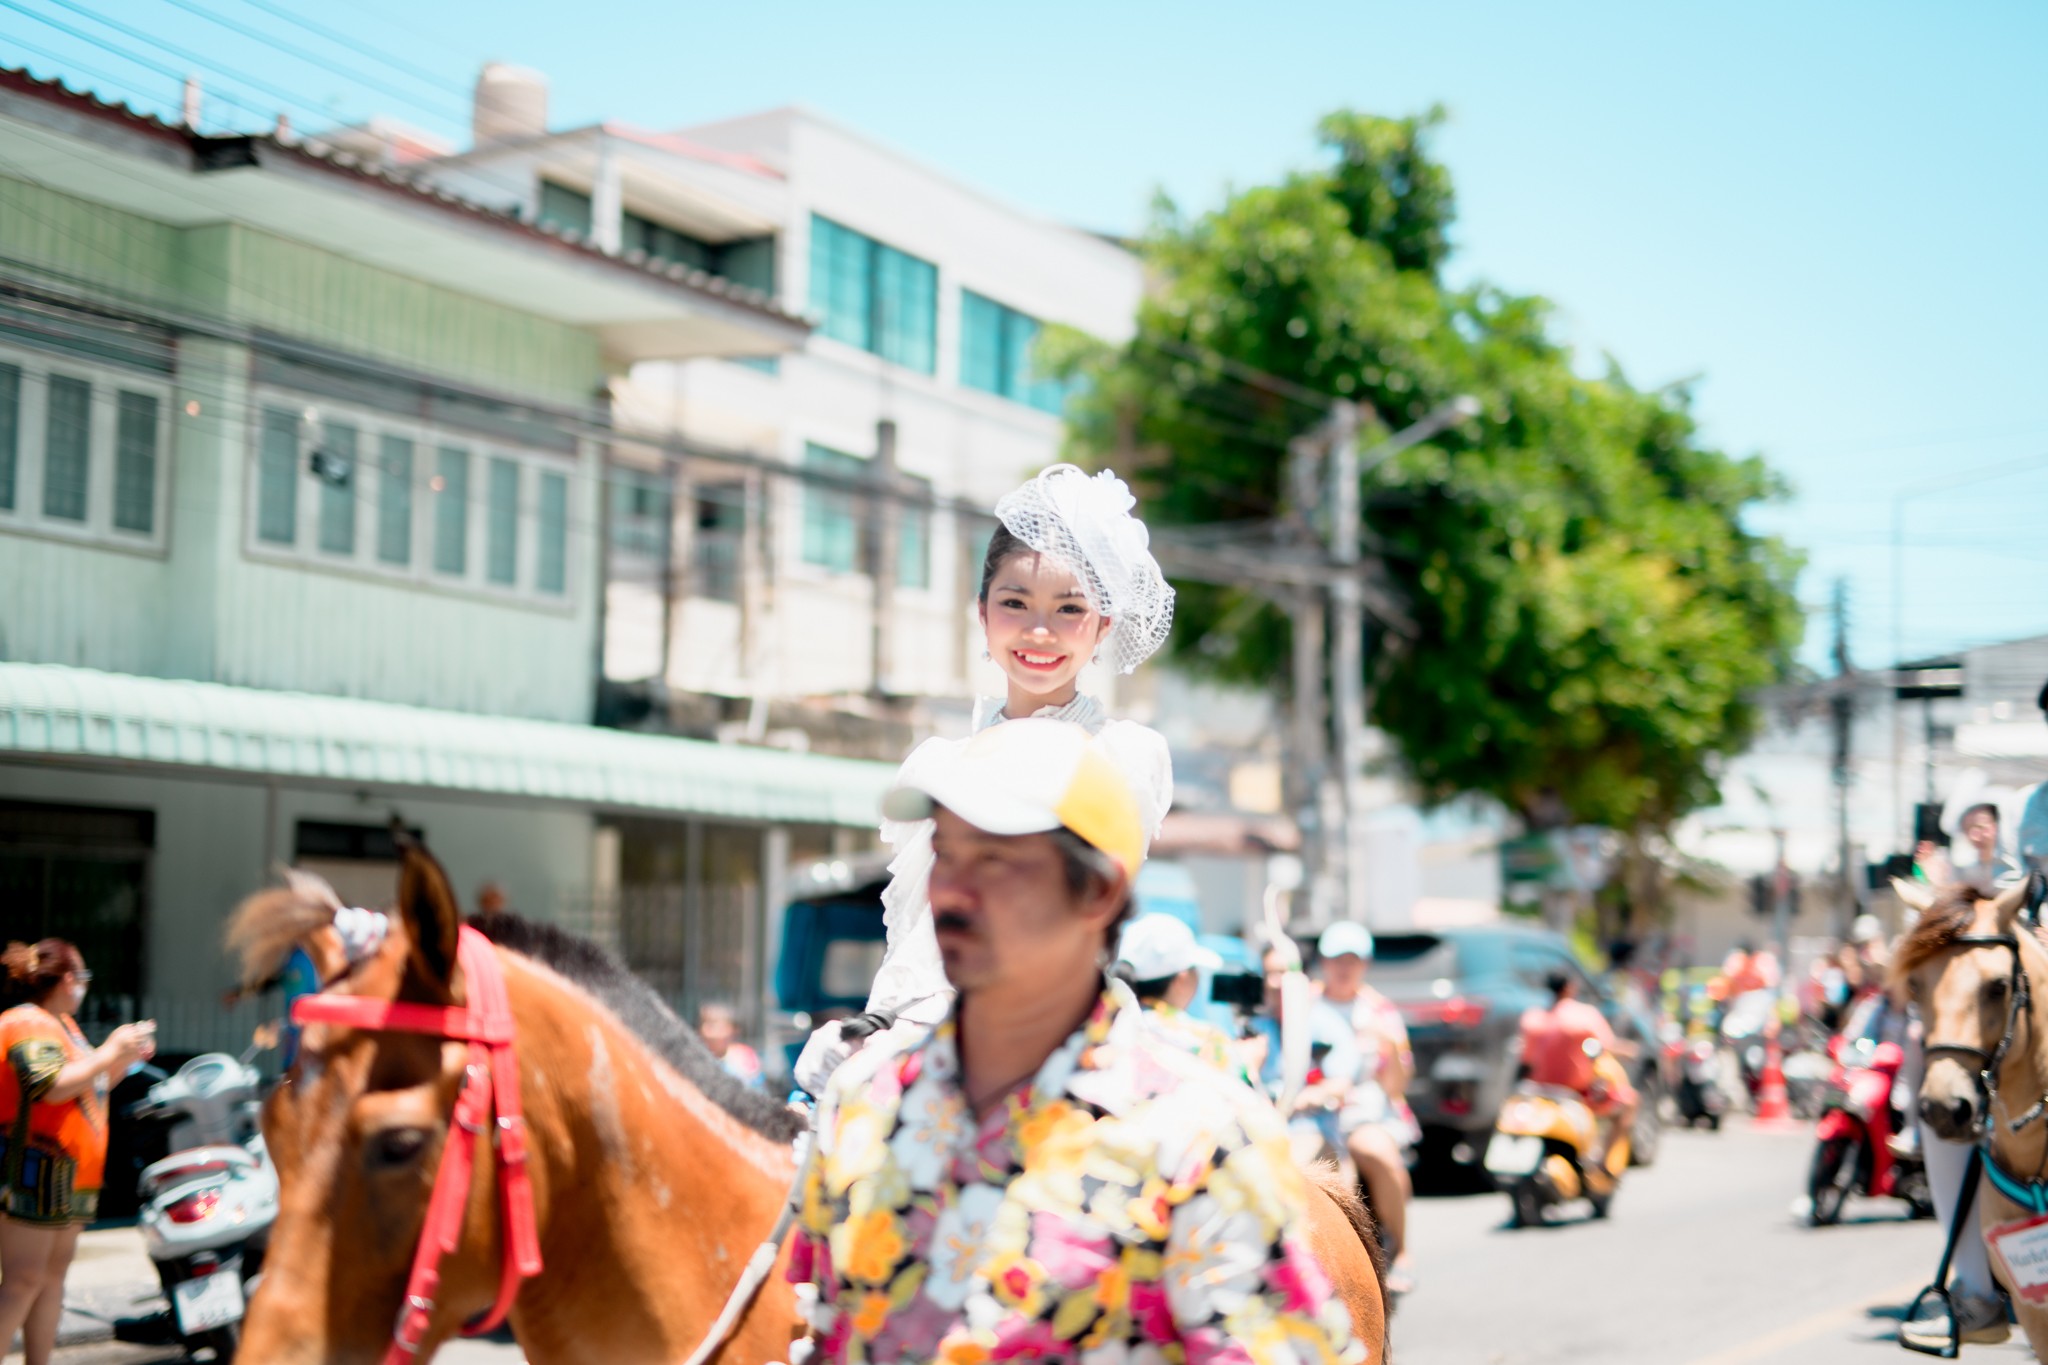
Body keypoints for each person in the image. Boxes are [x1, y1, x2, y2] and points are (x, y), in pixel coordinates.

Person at [791, 718, 1361, 1362]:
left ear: (1099, 891)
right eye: (946, 853)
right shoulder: (858, 1104)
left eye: (996, 859)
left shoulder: (1204, 1140)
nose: (954, 891)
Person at [792, 464, 1176, 1097]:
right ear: (982, 612)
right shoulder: (936, 765)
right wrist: (878, 1026)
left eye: (1069, 609)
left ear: (1104, 624)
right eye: (1015, 603)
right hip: (920, 1027)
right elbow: (916, 934)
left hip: (1062, 1035)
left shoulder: (1121, 756)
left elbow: (1076, 924)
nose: (1039, 631)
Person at [2, 940, 156, 1365]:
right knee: (23, 1280)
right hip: (32, 1172)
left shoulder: (63, 1025)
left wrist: (122, 1059)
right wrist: (110, 1051)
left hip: (68, 1176)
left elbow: (88, 1084)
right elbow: (50, 1086)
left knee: (50, 1280)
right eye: (83, 977)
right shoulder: (28, 1021)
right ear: (69, 979)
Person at [1314, 921, 1419, 1297]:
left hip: (1365, 1115)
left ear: (1364, 964)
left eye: (1352, 960)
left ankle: (1401, 1252)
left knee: (1379, 1154)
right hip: (1315, 1114)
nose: (1343, 968)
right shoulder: (1306, 1005)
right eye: (1336, 960)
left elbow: (1396, 1087)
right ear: (1323, 962)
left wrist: (1391, 1049)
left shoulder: (1378, 1011)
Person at [1245, 944, 1363, 1166]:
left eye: (1282, 973)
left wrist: (1302, 1099)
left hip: (1311, 1132)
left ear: (1304, 978)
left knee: (1286, 1168)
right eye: (1269, 974)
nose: (1274, 982)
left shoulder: (1326, 1023)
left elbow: (1340, 1084)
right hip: (1259, 1133)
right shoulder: (1254, 1028)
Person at [1516, 970, 1638, 1163]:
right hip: (1575, 1093)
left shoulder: (1533, 1018)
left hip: (1536, 1090)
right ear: (1568, 988)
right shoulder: (1585, 1015)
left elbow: (1526, 1059)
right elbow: (1608, 1046)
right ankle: (1604, 1163)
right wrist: (1631, 1050)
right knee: (1629, 1103)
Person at [1113, 912, 1243, 1078]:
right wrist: (1250, 1066)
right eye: (1195, 970)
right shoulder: (1207, 1040)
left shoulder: (1111, 1028)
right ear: (1182, 979)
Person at [1950, 802, 2024, 893]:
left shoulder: (2017, 859)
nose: (1974, 836)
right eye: (1967, 829)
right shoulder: (1968, 871)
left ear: (1996, 824)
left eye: (1980, 827)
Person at [696, 1001, 763, 1090]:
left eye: (712, 1023)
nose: (705, 1029)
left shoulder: (744, 1058)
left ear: (733, 1029)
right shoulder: (694, 1058)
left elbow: (755, 1090)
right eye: (702, 1023)